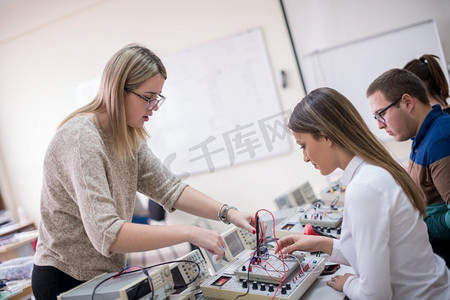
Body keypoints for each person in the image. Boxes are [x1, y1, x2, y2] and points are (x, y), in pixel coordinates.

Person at [31, 43, 261, 299]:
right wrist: (189, 232)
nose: (155, 107)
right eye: (149, 97)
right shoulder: (81, 138)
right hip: (65, 280)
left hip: (103, 275)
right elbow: (107, 234)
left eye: (158, 98)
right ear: (119, 90)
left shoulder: (126, 136)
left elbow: (169, 188)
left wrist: (229, 213)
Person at [275, 87, 450, 300]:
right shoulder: (374, 171)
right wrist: (322, 244)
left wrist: (348, 283)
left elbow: (374, 295)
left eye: (303, 146)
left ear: (325, 136)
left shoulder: (364, 189)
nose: (304, 157)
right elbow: (385, 250)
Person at [366, 68, 450, 267]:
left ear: (407, 102)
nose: (379, 125)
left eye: (381, 114)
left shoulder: (440, 140)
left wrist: (418, 226)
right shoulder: (422, 136)